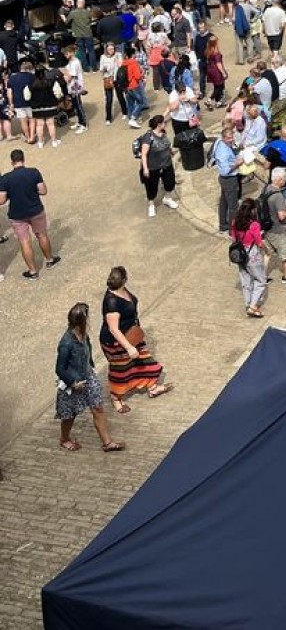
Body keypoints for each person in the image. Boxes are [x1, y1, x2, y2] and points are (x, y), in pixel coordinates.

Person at [99, 266, 173, 412]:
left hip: (132, 334)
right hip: (117, 342)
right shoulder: (111, 302)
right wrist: (128, 347)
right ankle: (116, 398)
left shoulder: (123, 291)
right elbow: (114, 329)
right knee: (121, 370)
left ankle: (152, 387)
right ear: (124, 279)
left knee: (145, 361)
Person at [55, 303, 125, 453]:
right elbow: (59, 368)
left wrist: (90, 365)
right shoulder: (66, 343)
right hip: (73, 382)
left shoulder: (83, 334)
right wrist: (72, 382)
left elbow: (87, 350)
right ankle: (64, 439)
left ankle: (107, 443)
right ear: (81, 320)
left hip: (88, 376)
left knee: (98, 408)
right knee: (69, 415)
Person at [0, 148, 61, 279]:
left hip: (17, 215)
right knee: (42, 235)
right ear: (23, 159)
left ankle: (33, 271)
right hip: (35, 210)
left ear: (12, 162)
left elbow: (1, 200)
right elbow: (43, 191)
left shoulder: (5, 179)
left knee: (24, 242)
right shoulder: (34, 172)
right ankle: (49, 260)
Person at [229, 197, 268, 316]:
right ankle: (252, 306)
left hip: (240, 254)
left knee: (245, 281)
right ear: (252, 211)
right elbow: (259, 242)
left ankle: (248, 304)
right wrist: (267, 251)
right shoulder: (254, 225)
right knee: (260, 280)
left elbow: (233, 237)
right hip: (252, 254)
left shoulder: (235, 221)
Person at [262, 167, 286, 283]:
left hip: (268, 228)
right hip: (279, 229)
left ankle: (262, 276)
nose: (285, 180)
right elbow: (282, 216)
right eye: (284, 178)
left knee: (268, 253)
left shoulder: (266, 188)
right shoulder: (278, 196)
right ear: (278, 179)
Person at [138, 115, 179, 219]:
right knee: (151, 187)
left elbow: (166, 145)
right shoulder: (148, 137)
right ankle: (151, 204)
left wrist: (171, 152)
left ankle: (167, 198)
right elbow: (143, 154)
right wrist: (146, 168)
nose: (166, 124)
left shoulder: (163, 133)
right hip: (153, 167)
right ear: (158, 124)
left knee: (170, 182)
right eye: (164, 123)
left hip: (166, 164)